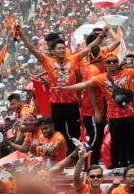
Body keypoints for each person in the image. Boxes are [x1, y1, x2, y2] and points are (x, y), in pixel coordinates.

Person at [58, 53, 134, 167]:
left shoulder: (128, 72)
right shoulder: (101, 78)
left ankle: (132, 165)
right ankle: (118, 166)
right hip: (113, 118)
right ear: (106, 64)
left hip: (130, 116)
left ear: (118, 63)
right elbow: (84, 85)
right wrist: (64, 88)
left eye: (114, 61)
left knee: (132, 141)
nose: (112, 63)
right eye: (109, 61)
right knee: (117, 143)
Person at [17, 24, 107, 154]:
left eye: (63, 48)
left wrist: (102, 34)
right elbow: (31, 48)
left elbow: (89, 47)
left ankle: (76, 156)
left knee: (74, 131)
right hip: (57, 104)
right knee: (59, 131)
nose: (62, 50)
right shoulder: (47, 61)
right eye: (59, 48)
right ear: (53, 51)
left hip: (72, 103)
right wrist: (21, 34)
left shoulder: (73, 58)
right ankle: (62, 155)